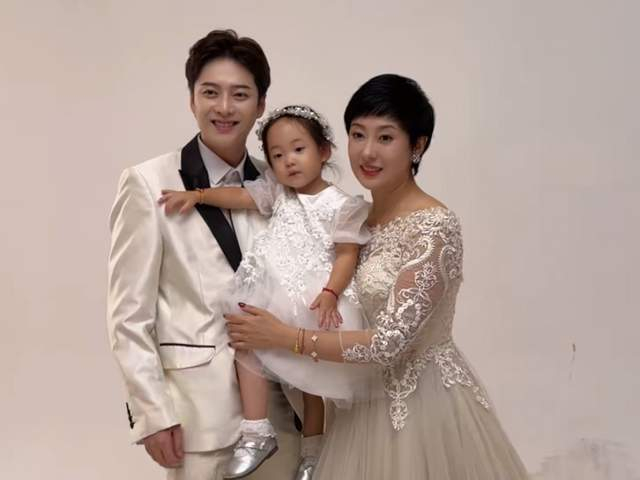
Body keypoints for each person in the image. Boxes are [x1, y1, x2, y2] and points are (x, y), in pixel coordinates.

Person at [223, 74, 530, 479]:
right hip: (358, 410)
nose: (367, 152)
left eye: (385, 137)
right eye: (358, 134)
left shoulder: (434, 226)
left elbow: (389, 343)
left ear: (417, 146)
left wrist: (284, 337)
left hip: (423, 410)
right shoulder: (354, 219)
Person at [107, 29, 299, 480]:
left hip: (283, 411)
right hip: (197, 415)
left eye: (240, 94)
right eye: (210, 92)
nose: (224, 107)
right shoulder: (147, 183)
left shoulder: (283, 186)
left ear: (261, 104)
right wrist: (152, 413)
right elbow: (128, 315)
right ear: (191, 99)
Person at [159, 104, 370, 480]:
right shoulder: (278, 192)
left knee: (312, 383)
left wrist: (330, 292)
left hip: (312, 298)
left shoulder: (344, 206)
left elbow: (346, 255)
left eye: (298, 150)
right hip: (274, 291)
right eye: (277, 155)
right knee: (246, 342)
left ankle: (313, 452)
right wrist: (200, 196)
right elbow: (240, 197)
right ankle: (256, 431)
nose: (289, 161)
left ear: (324, 151)